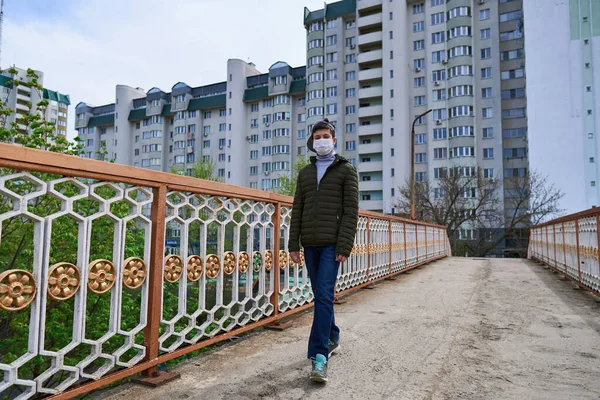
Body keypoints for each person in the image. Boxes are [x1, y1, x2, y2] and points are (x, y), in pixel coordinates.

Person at [288, 118, 359, 383]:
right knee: (320, 294)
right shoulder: (305, 173)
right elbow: (298, 209)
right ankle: (334, 335)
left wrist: (344, 244)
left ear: (334, 139)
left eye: (325, 135)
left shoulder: (346, 170)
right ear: (311, 141)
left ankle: (319, 357)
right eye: (317, 136)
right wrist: (293, 243)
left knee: (324, 295)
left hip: (332, 244)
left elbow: (351, 211)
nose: (321, 140)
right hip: (310, 242)